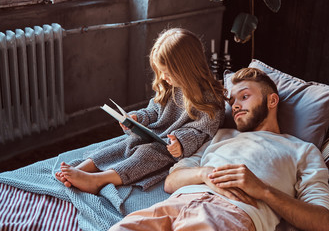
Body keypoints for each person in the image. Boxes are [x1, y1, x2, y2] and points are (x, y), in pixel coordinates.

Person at [109, 68, 329, 231]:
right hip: (173, 205)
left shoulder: (302, 150)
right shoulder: (219, 134)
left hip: (229, 215)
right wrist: (203, 174)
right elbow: (171, 182)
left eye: (245, 96)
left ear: (272, 100)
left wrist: (263, 190)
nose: (235, 105)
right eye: (232, 100)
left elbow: (323, 221)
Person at [55, 28, 226, 194]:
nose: (164, 77)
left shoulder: (210, 98)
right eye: (161, 72)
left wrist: (181, 144)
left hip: (170, 147)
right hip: (154, 134)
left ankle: (98, 180)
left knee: (145, 154)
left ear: (186, 69)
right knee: (125, 143)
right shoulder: (170, 87)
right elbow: (154, 110)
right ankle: (83, 168)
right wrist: (138, 118)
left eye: (167, 73)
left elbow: (201, 131)